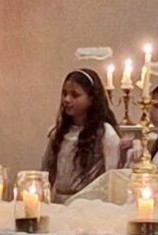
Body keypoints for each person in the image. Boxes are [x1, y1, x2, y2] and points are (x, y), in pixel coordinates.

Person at [41, 69, 121, 203]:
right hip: (59, 202)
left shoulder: (105, 134)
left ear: (91, 99)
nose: (67, 99)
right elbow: (46, 171)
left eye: (75, 95)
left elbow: (111, 177)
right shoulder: (59, 132)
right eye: (65, 94)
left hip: (88, 203)